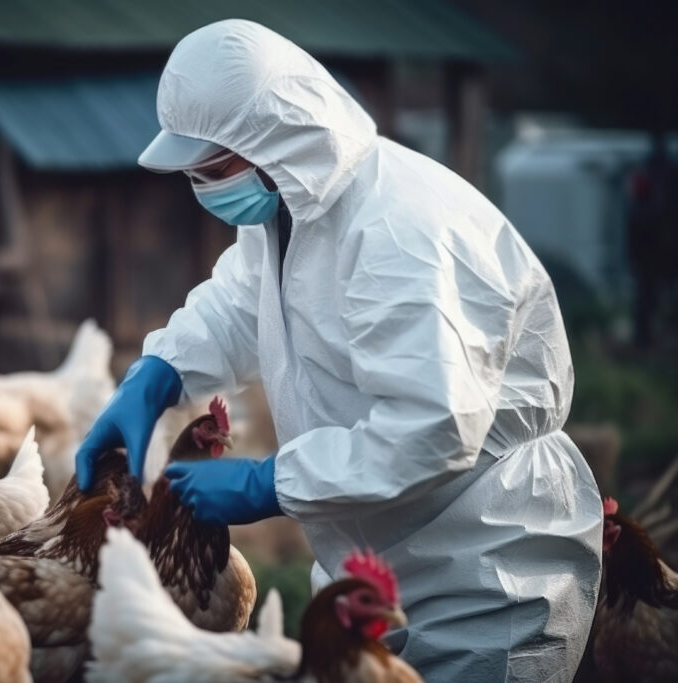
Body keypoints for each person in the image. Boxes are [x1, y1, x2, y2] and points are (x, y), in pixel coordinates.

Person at [75, 19, 602, 682]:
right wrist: (160, 372)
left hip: (486, 559)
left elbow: (432, 428)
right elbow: (239, 305)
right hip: (377, 553)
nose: (201, 185)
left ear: (271, 142)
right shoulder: (290, 212)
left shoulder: (401, 232)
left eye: (211, 166)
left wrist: (269, 480)